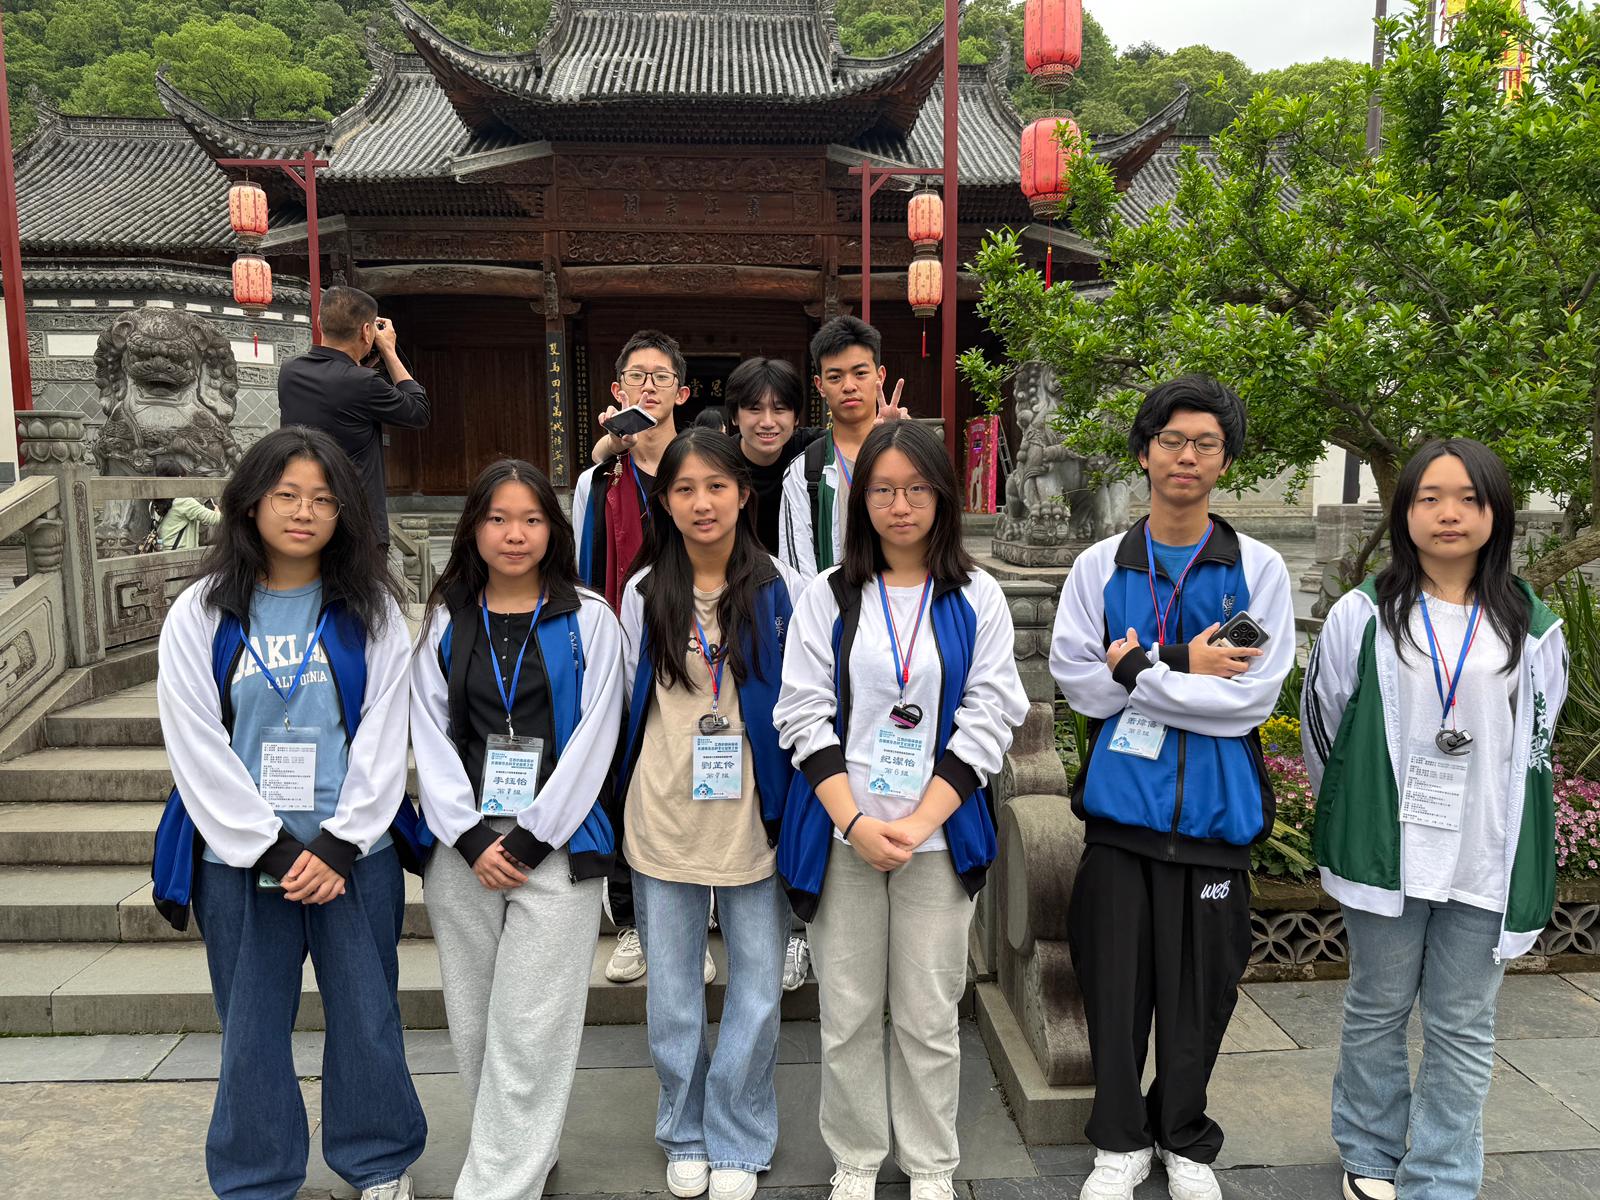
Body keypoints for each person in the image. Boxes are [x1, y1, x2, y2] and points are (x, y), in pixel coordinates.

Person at [153, 426, 425, 1200]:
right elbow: (196, 744)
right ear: (250, 503)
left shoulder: (370, 609)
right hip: (239, 862)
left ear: (344, 514)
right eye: (287, 496)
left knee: (367, 1015)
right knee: (250, 1025)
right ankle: (255, 1174)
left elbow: (384, 734)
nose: (304, 513)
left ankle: (378, 1161)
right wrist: (272, 849)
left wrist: (339, 845)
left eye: (323, 500)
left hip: (353, 860)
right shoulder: (202, 612)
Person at [1301, 438, 1569, 1200]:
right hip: (1389, 850)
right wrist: (1355, 816)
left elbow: (1538, 742)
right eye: (1430, 498)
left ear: (1496, 513)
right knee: (1377, 1008)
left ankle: (1443, 1174)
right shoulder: (1363, 614)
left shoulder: (1532, 626)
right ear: (1404, 511)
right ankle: (1370, 1153)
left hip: (1483, 853)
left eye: (1468, 499)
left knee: (1463, 1023)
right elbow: (1324, 726)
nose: (1449, 514)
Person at [1048, 376, 1294, 1200]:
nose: (1186, 456)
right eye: (1172, 440)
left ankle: (1184, 1137)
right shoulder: (1100, 565)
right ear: (1145, 451)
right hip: (1122, 817)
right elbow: (1078, 684)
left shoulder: (1257, 570)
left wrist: (1136, 673)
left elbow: (1247, 703)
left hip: (1216, 821)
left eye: (1206, 444)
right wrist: (1182, 663)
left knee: (1201, 998)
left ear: (1226, 460)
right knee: (1113, 990)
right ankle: (1119, 1142)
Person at [774, 420, 1027, 1200]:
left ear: (943, 497)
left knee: (929, 1013)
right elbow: (802, 713)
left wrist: (919, 823)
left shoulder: (976, 596)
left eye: (917, 489)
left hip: (937, 839)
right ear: (861, 501)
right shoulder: (829, 595)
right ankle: (855, 1156)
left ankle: (929, 1163)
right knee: (848, 1012)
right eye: (882, 489)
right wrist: (855, 822)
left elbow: (990, 713)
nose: (900, 505)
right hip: (843, 830)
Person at [411, 458, 625, 1200]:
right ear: (473, 528)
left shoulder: (589, 619)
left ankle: (497, 1186)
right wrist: (471, 837)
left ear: (553, 530)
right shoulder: (446, 618)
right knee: (474, 1021)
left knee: (533, 1021)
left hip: (556, 845)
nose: (514, 534)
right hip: (463, 845)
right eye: (498, 518)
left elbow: (596, 737)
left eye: (531, 519)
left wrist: (532, 837)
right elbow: (428, 731)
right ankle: (520, 1154)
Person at [615, 428, 803, 1200]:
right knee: (672, 993)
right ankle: (683, 1129)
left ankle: (739, 1132)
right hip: (664, 810)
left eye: (717, 486)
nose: (702, 503)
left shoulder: (781, 588)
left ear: (743, 495)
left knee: (757, 987)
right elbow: (623, 701)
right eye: (685, 489)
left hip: (753, 813)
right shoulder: (641, 593)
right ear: (664, 501)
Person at [574, 329, 701, 985]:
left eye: (661, 376)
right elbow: (580, 569)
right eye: (636, 376)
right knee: (624, 785)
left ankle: (693, 924)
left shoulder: (698, 471)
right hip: (617, 655)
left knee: (696, 783)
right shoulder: (598, 481)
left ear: (682, 391)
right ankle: (631, 924)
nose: (648, 387)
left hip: (695, 657)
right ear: (617, 389)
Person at [277, 286, 430, 553]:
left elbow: (337, 387)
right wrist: (389, 350)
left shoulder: (289, 372)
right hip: (357, 526)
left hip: (306, 519)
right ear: (367, 331)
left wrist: (359, 365)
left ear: (319, 323)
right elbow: (418, 411)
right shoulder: (364, 383)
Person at [778, 316, 894, 583]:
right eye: (835, 376)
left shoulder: (908, 459)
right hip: (832, 605)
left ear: (880, 376)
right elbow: (799, 570)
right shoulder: (804, 471)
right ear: (820, 385)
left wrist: (906, 442)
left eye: (860, 373)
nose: (849, 386)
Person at [151, 460, 220, 550]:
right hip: (180, 554)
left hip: (162, 552)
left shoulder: (154, 503)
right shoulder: (183, 502)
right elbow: (216, 519)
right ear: (179, 478)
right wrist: (218, 511)